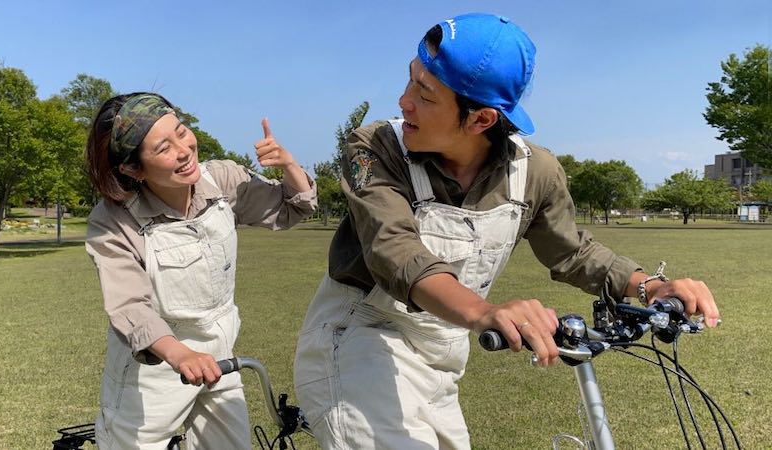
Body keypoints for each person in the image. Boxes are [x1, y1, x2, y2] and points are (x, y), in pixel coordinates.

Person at [293, 13, 720, 449]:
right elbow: (395, 250)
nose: (403, 102)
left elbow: (571, 251)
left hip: (442, 359)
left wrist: (650, 285)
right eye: (409, 80)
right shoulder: (373, 147)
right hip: (357, 340)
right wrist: (483, 312)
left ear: (481, 120)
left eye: (424, 94)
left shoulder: (535, 171)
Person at [84, 92, 316, 449]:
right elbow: (130, 306)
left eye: (181, 131)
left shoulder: (220, 180)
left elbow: (291, 209)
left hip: (220, 358)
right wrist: (180, 355)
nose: (184, 149)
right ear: (132, 168)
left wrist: (288, 166)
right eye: (163, 147)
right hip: (151, 370)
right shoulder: (114, 221)